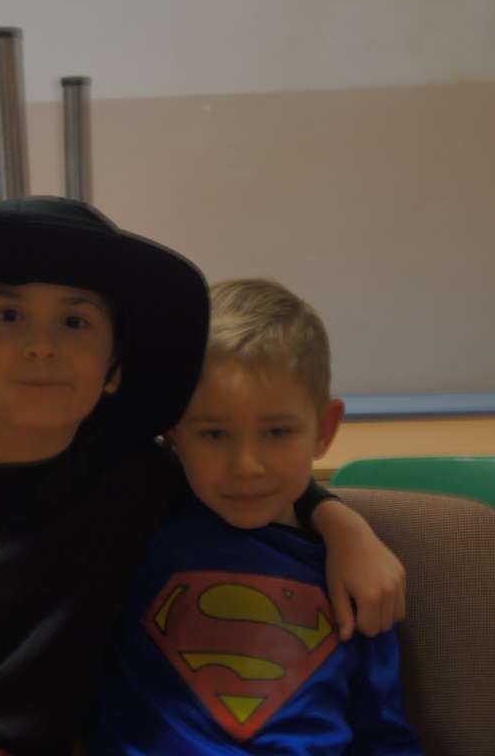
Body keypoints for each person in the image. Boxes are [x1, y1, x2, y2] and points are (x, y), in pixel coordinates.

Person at [0, 197, 402, 756]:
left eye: (75, 320)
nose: (41, 345)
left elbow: (247, 472)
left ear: (114, 367)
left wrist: (340, 523)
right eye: (8, 315)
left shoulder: (136, 484)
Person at [85, 278, 421, 754]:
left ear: (324, 429)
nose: (246, 466)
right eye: (214, 434)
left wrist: (343, 528)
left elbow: (384, 736)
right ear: (174, 432)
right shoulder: (133, 528)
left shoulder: (358, 576)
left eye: (277, 432)